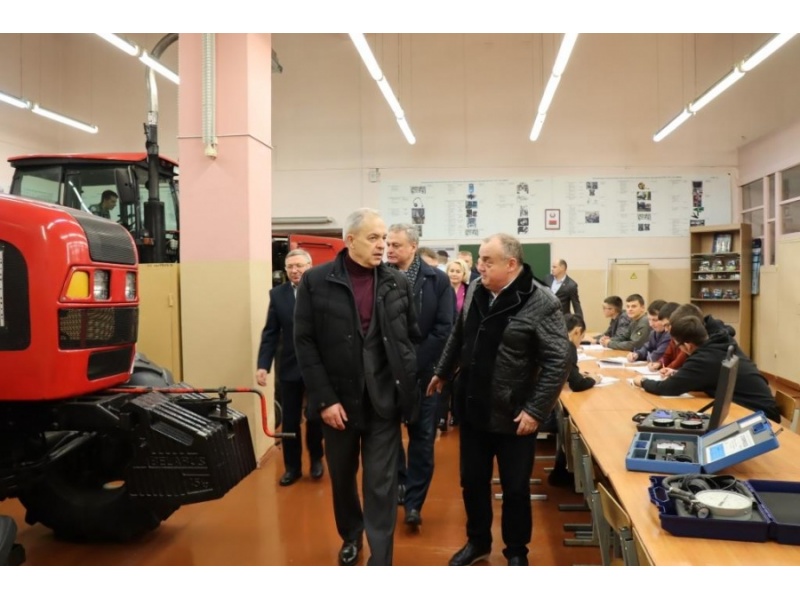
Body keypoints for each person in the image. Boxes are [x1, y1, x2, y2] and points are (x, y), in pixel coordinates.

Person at [427, 233, 569, 567]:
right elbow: (459, 334)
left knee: (515, 488)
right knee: (472, 482)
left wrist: (535, 410)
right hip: (473, 406)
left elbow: (559, 360)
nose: (480, 266)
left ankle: (516, 551)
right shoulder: (477, 289)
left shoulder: (541, 301)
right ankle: (477, 542)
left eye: (487, 261)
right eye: (479, 259)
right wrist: (443, 371)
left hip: (515, 415)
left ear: (511, 264)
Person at [294, 208, 421, 567]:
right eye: (373, 238)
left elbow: (410, 336)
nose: (383, 245)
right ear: (350, 241)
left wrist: (406, 387)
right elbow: (304, 343)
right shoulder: (316, 281)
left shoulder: (396, 282)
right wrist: (324, 400)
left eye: (384, 238)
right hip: (338, 403)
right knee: (343, 476)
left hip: (383, 401)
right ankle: (351, 535)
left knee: (381, 483)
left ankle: (381, 557)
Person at [386, 223, 455, 530]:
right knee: (387, 436)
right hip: (387, 374)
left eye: (396, 245)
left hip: (424, 374)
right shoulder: (379, 277)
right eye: (388, 244)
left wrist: (413, 362)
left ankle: (414, 502)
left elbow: (444, 327)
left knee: (423, 438)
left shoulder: (437, 280)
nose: (389, 250)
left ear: (413, 247)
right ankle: (400, 484)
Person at [256, 249, 323, 487]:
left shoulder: (322, 290)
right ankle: (292, 468)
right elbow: (271, 333)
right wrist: (263, 365)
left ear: (309, 266)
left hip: (317, 366)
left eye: (299, 266)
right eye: (290, 267)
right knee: (290, 421)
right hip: (289, 367)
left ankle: (316, 459)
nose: (295, 271)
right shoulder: (278, 295)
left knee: (315, 416)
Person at [632, 315, 780, 422]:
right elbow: (706, 376)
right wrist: (679, 374)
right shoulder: (719, 343)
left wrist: (642, 381)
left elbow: (666, 388)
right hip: (757, 406)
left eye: (678, 346)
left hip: (760, 416)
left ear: (688, 345)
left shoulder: (704, 358)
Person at [547, 313, 599, 488]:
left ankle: (563, 471)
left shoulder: (553, 341)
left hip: (532, 403)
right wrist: (593, 380)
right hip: (544, 413)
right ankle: (568, 473)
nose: (580, 342)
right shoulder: (567, 346)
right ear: (577, 331)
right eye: (581, 337)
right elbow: (578, 385)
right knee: (577, 420)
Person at [437, 258, 470, 431]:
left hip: (464, 341)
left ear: (464, 274)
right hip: (445, 340)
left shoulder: (470, 290)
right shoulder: (442, 289)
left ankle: (456, 414)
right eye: (452, 270)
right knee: (444, 379)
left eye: (458, 271)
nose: (454, 274)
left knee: (459, 381)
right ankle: (442, 416)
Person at [626, 299, 669, 364]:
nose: (651, 324)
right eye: (649, 319)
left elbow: (655, 357)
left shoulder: (669, 334)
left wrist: (648, 356)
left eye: (655, 320)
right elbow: (646, 348)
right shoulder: (653, 333)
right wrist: (637, 354)